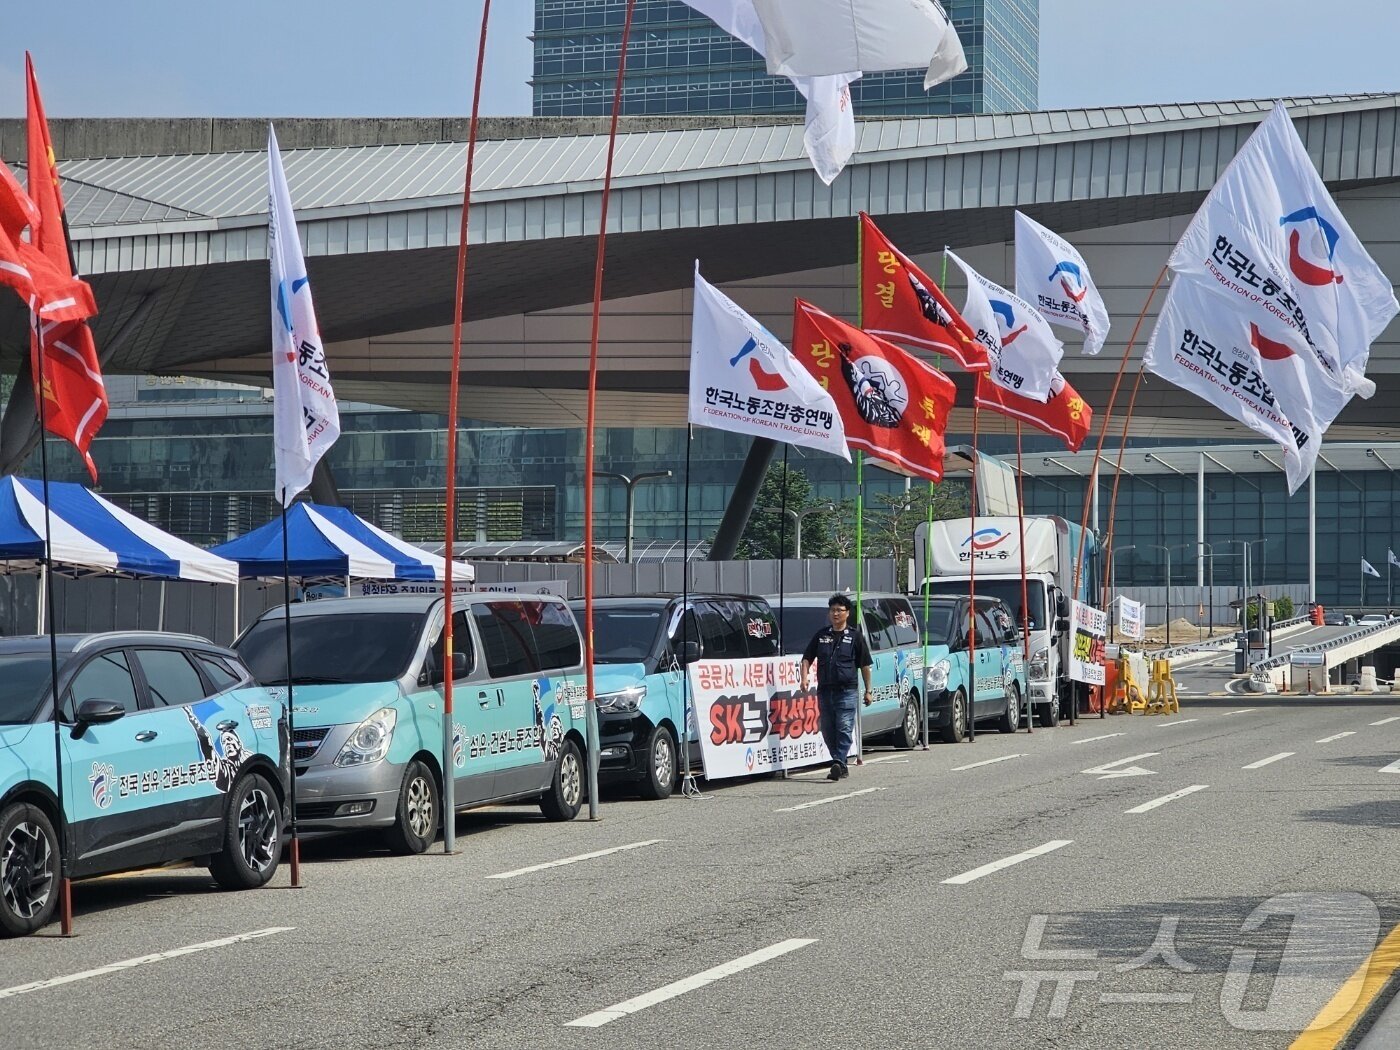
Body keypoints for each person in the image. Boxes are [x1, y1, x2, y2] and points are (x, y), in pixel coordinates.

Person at [800, 593, 874, 781]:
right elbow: (807, 658)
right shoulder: (822, 635)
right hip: (825, 691)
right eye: (832, 610)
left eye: (839, 610)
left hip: (847, 690)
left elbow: (865, 665)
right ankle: (839, 763)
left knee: (844, 727)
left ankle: (839, 761)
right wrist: (804, 678)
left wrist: (868, 690)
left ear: (847, 613)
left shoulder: (855, 637)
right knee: (827, 729)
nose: (835, 614)